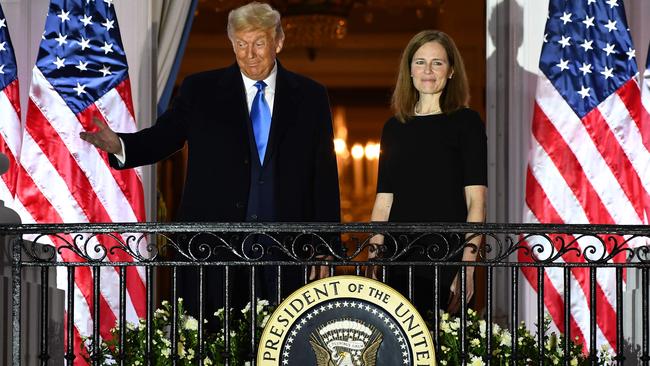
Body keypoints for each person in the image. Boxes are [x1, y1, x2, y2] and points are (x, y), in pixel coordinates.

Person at [80, 1, 340, 324]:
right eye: (241, 44)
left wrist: (325, 245)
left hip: (287, 254)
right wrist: (120, 143)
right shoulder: (200, 90)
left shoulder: (311, 97)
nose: (250, 54)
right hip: (214, 251)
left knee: (283, 344)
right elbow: (164, 137)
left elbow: (324, 174)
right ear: (232, 44)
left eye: (259, 43)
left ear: (279, 42)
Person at [367, 30, 487, 315]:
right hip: (397, 258)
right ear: (409, 70)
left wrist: (467, 269)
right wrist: (373, 262)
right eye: (420, 62)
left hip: (445, 257)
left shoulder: (467, 123)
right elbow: (383, 203)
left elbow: (476, 203)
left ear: (452, 70)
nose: (428, 71)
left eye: (438, 63)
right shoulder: (394, 127)